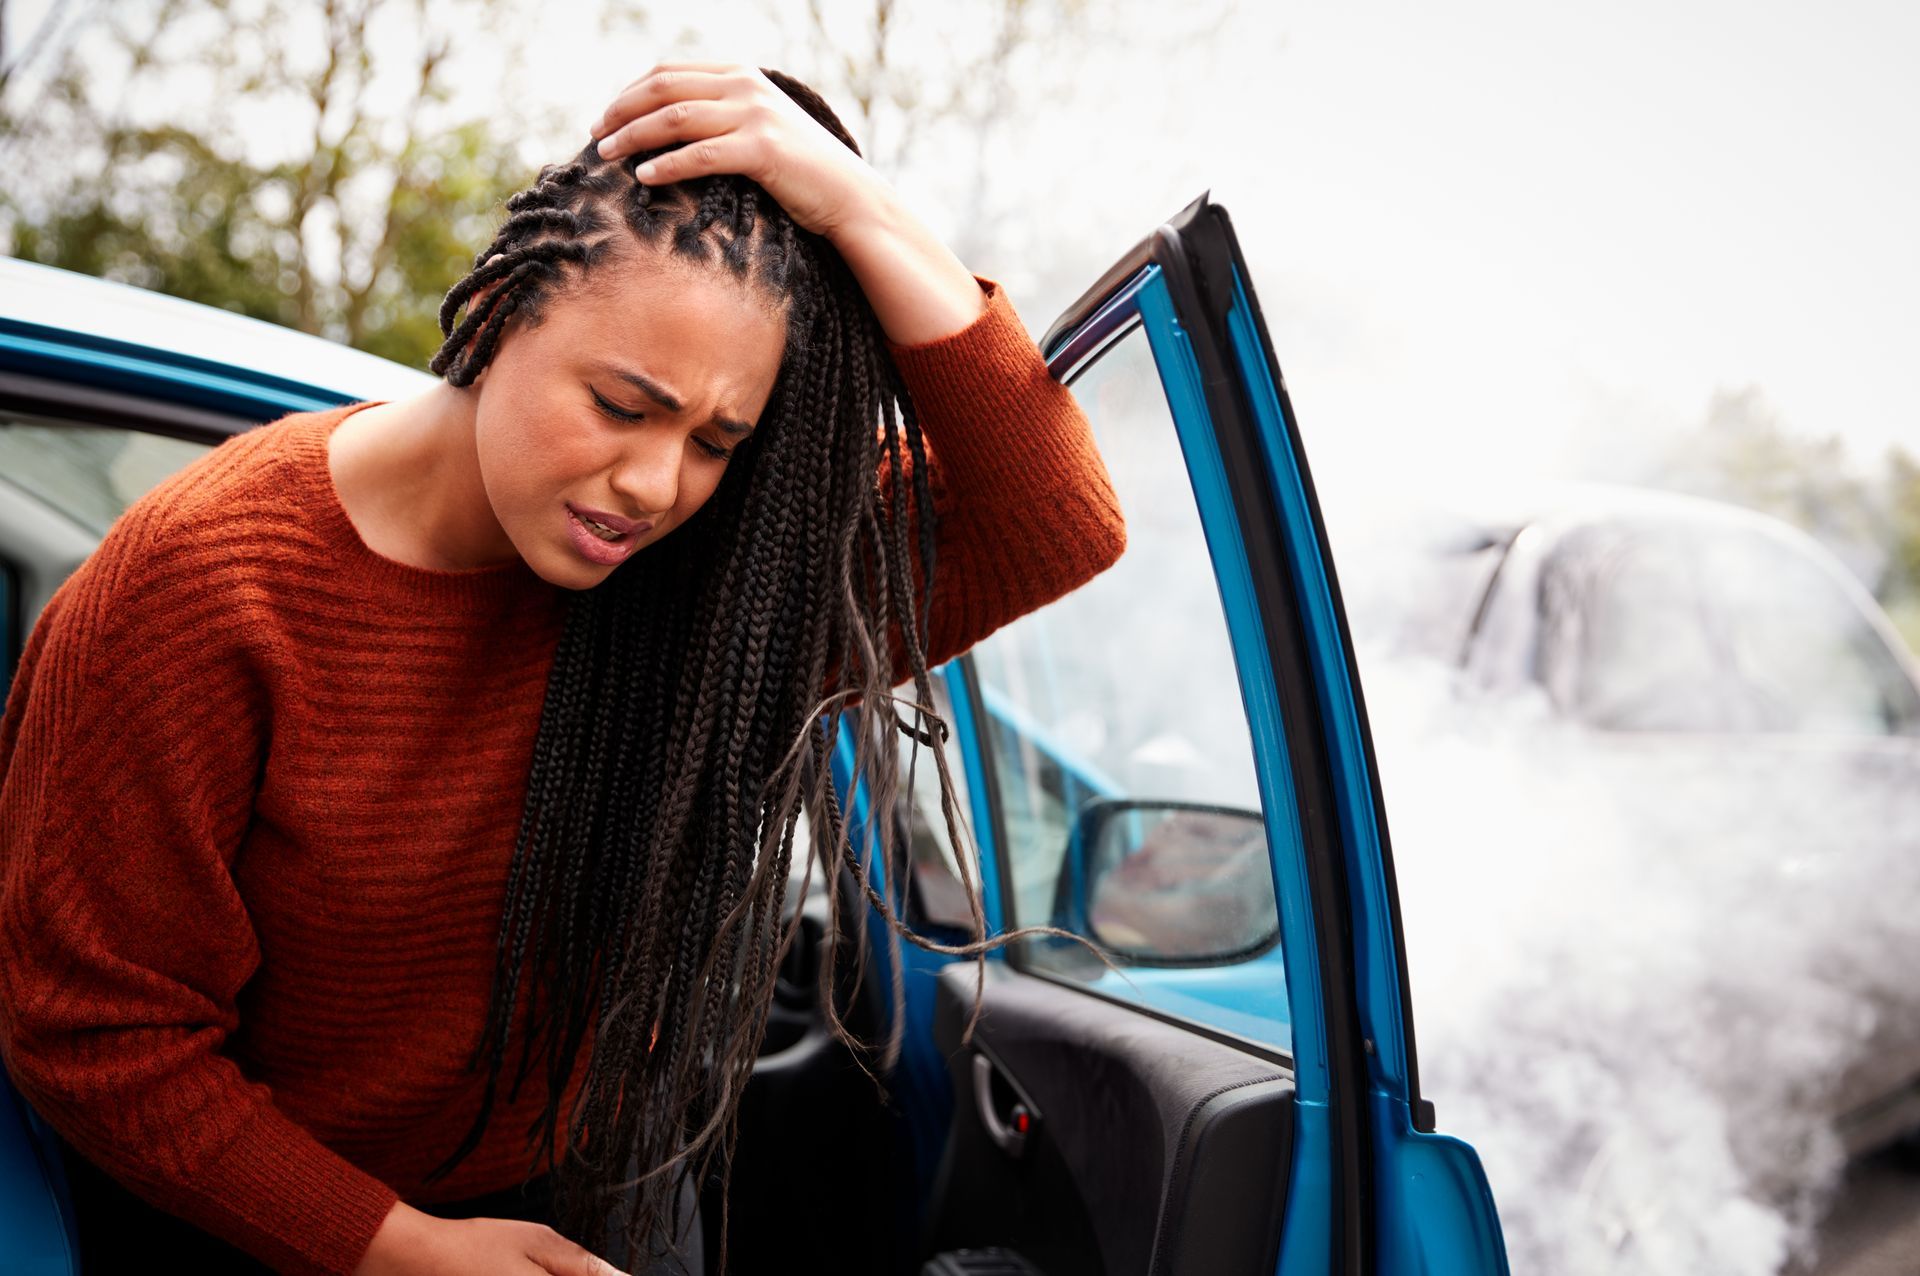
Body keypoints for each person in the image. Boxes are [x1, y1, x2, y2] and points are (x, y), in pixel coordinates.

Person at [0, 64, 1126, 1276]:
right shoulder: (201, 586)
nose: (655, 484)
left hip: (606, 1193)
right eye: (618, 403)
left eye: (713, 441)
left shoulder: (703, 586)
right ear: (497, 312)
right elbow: (96, 1036)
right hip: (281, 1225)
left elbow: (1055, 516)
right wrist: (408, 1250)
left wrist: (857, 205)